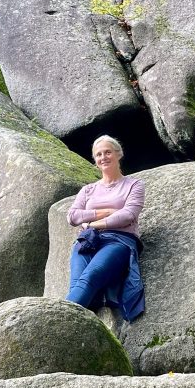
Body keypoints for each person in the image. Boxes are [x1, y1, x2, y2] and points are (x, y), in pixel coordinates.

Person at [66, 135, 145, 321]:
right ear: (95, 161)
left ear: (119, 154)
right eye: (99, 154)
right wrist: (105, 212)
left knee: (89, 278)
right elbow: (72, 216)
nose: (103, 157)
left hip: (119, 240)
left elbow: (128, 215)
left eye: (108, 152)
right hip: (88, 241)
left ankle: (57, 323)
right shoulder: (88, 190)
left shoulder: (134, 185)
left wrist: (93, 223)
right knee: (77, 285)